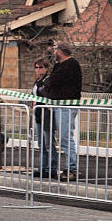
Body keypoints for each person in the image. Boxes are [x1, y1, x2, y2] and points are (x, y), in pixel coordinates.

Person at [44, 41, 82, 181]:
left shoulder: (71, 65)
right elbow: (49, 81)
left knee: (66, 137)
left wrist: (48, 84)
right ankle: (68, 167)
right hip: (58, 104)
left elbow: (52, 81)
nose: (53, 52)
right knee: (62, 137)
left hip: (66, 106)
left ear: (60, 51)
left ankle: (72, 168)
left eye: (55, 50)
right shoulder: (59, 66)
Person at [32, 58, 58, 178]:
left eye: (41, 67)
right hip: (38, 114)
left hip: (47, 114)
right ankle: (42, 167)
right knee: (41, 143)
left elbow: (49, 95)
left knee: (49, 143)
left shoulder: (48, 81)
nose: (38, 70)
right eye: (36, 67)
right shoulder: (37, 82)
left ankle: (51, 168)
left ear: (46, 68)